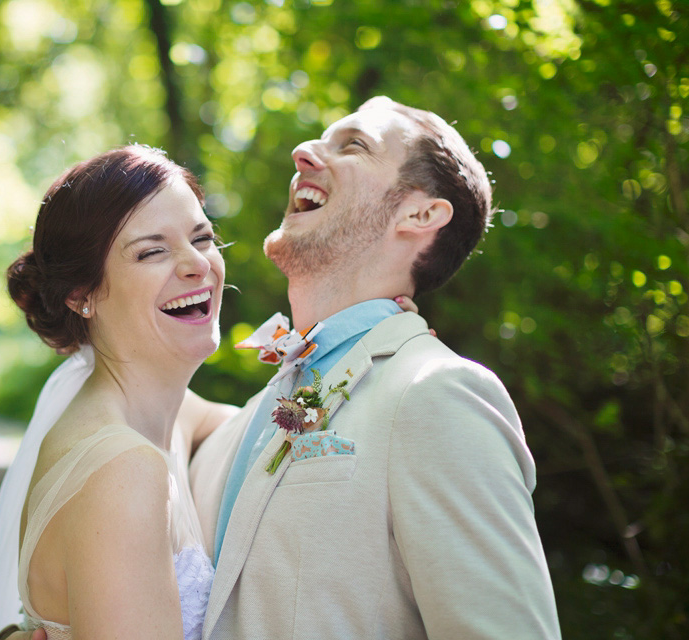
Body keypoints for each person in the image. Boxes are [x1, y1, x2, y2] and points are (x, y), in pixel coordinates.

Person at [187, 96, 562, 638]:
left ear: (420, 214)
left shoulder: (437, 394)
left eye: (354, 145)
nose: (303, 153)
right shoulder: (247, 421)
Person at [0, 145, 231, 640]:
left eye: (203, 237)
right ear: (81, 295)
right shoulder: (122, 468)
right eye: (152, 251)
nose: (198, 264)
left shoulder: (165, 416)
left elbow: (255, 421)